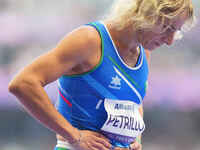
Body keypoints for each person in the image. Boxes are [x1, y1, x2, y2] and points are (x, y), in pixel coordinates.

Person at [8, 0, 195, 150]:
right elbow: (23, 83)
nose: (170, 41)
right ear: (147, 14)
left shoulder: (143, 52)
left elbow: (133, 103)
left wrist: (133, 141)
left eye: (176, 31)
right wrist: (74, 135)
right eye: (167, 28)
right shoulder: (90, 40)